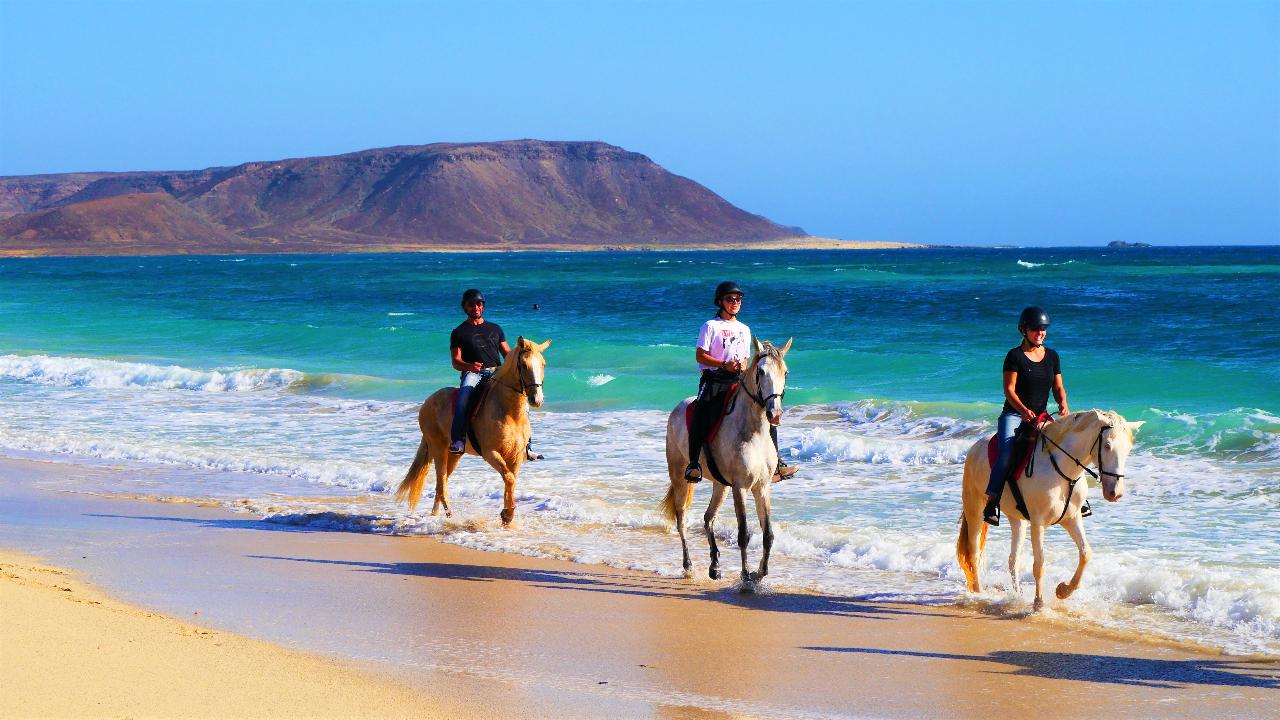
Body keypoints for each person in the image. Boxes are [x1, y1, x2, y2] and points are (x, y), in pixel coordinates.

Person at [684, 281, 798, 484]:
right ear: (720, 302)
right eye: (730, 299)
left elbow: (745, 360)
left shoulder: (745, 329)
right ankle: (694, 464)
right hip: (714, 379)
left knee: (766, 412)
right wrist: (723, 364)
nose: (735, 302)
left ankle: (776, 463)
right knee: (701, 412)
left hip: (738, 380)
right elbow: (700, 356)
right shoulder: (710, 326)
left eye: (738, 299)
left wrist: (742, 372)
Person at [982, 306, 1074, 526]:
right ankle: (992, 501)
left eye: (1043, 329)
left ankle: (1077, 500)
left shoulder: (1052, 356)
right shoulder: (1014, 356)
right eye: (1036, 329)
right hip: (1014, 415)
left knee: (1067, 446)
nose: (1040, 333)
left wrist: (1063, 404)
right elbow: (1009, 390)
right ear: (1024, 330)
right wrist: (1023, 411)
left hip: (1041, 416)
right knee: (1006, 452)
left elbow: (1059, 387)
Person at [448, 289, 509, 455]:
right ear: (465, 307)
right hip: (473, 373)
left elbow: (507, 355)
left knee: (521, 397)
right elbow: (456, 361)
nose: (475, 307)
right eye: (471, 304)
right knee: (463, 397)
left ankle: (527, 444)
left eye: (479, 303)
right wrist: (469, 367)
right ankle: (458, 440)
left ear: (483, 306)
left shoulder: (495, 329)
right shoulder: (459, 332)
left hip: (497, 371)